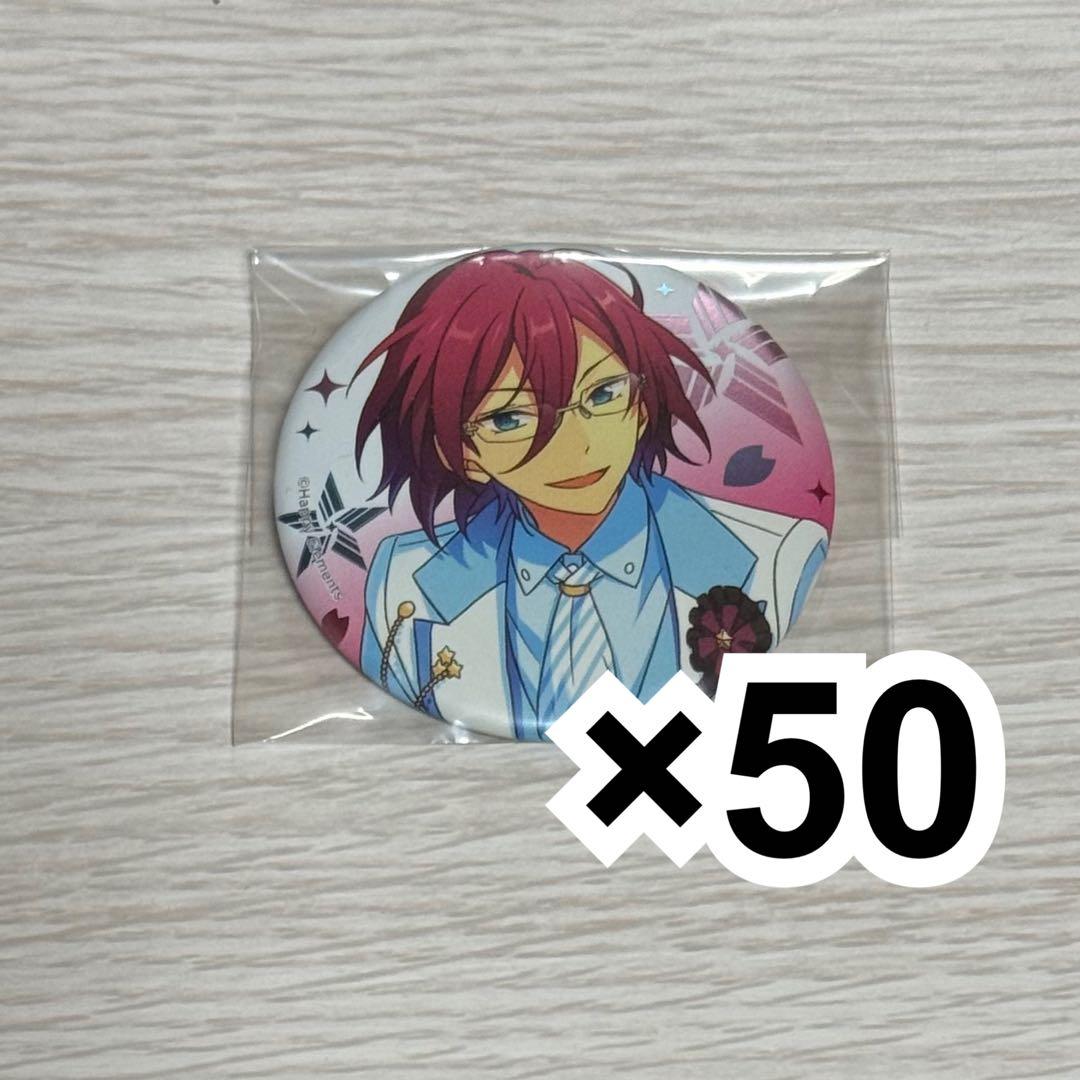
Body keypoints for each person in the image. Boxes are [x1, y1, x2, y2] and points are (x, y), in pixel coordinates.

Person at [354, 250, 827, 739]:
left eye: (603, 394)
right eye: (509, 418)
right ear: (461, 454)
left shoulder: (777, 559)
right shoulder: (403, 584)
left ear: (642, 403)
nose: (576, 447)